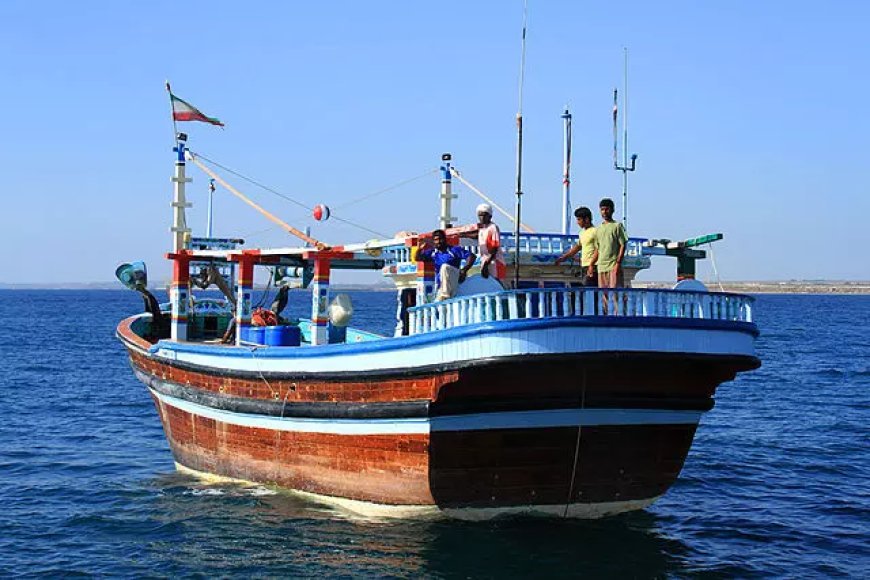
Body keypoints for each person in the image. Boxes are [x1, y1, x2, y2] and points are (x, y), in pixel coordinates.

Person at [417, 229, 476, 300]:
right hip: (441, 285)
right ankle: (443, 295)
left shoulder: (453, 250)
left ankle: (445, 295)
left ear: (445, 239)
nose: (438, 242)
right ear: (433, 241)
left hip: (454, 279)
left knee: (444, 267)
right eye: (436, 240)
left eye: (440, 239)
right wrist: (420, 248)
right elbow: (418, 258)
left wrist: (464, 270)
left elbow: (472, 256)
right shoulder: (433, 253)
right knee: (439, 307)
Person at [554, 206, 598, 286]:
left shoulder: (595, 231)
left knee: (590, 290)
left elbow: (598, 249)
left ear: (587, 219)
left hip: (593, 266)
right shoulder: (582, 232)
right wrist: (564, 257)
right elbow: (578, 246)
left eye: (579, 219)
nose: (577, 222)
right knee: (586, 289)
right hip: (584, 266)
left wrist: (592, 264)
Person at [595, 198, 628, 288]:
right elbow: (597, 249)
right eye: (602, 209)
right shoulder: (598, 229)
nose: (604, 212)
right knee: (604, 296)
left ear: (612, 210)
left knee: (615, 295)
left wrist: (618, 263)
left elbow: (623, 244)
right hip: (601, 267)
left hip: (613, 265)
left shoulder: (617, 226)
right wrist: (591, 265)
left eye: (607, 209)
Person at [473, 203, 506, 281]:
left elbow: (494, 248)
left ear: (490, 216)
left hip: (494, 262)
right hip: (485, 261)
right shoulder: (481, 228)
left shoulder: (493, 228)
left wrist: (486, 264)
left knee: (497, 285)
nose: (482, 218)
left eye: (484, 215)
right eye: (480, 215)